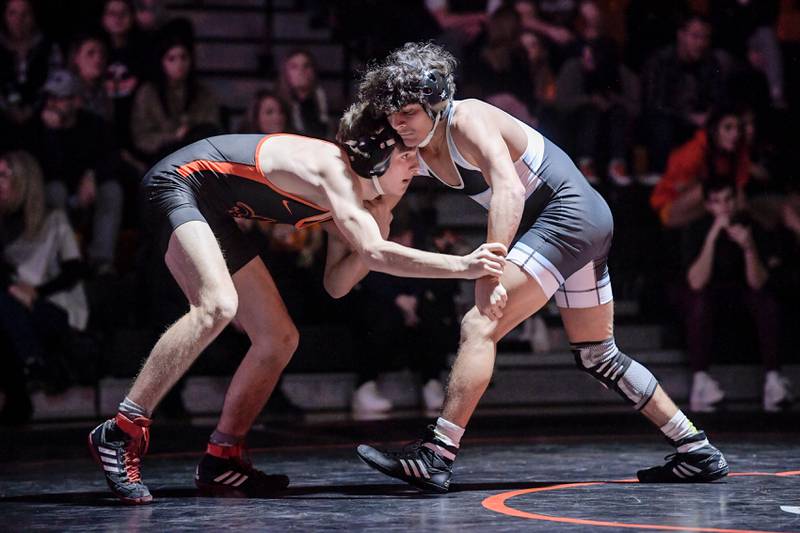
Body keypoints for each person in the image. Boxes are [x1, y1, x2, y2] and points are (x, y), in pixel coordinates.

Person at [87, 100, 507, 504]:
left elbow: (337, 284)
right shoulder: (334, 173)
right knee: (216, 305)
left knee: (278, 336)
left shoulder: (355, 202)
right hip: (177, 183)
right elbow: (378, 254)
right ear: (377, 156)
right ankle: (120, 430)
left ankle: (222, 456)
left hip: (212, 208)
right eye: (407, 156)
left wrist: (374, 232)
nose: (417, 166)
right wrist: (463, 265)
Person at [354, 42, 729, 493]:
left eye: (409, 113)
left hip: (566, 215)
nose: (399, 124)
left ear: (435, 102)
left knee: (480, 323)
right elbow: (377, 193)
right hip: (577, 220)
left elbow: (509, 190)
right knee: (597, 353)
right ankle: (696, 449)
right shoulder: (411, 144)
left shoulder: (466, 118)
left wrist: (489, 272)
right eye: (393, 113)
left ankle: (436, 454)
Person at [682, 178, 792, 412]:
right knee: (698, 301)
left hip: (743, 296)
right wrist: (712, 238)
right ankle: (701, 383)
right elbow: (696, 282)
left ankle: (773, 381)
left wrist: (748, 247)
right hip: (711, 296)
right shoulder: (698, 229)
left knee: (767, 301)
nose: (724, 207)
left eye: (728, 199)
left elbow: (758, 282)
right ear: (709, 205)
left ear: (736, 200)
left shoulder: (753, 227)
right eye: (717, 202)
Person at [0, 150, 88, 424]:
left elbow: (73, 270)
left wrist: (36, 293)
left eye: (4, 175)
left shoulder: (53, 219)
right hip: (13, 306)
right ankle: (31, 369)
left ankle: (31, 370)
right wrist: (16, 291)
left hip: (53, 303)